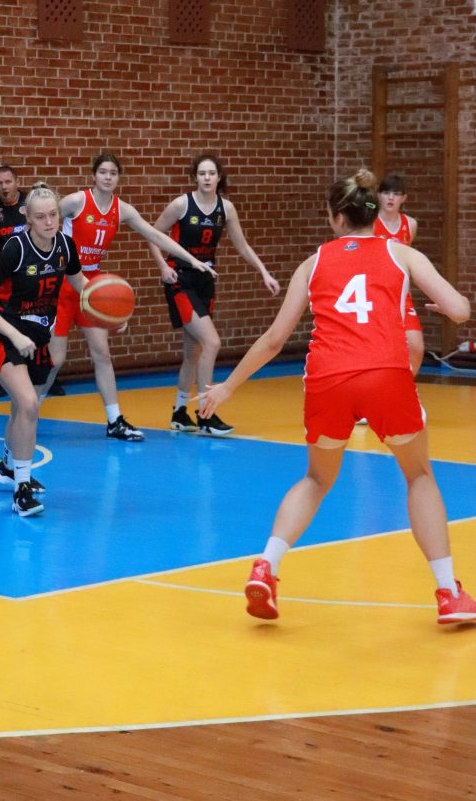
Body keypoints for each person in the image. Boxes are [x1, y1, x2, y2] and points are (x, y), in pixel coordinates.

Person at [198, 169, 476, 626]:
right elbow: (461, 310)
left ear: (336, 219)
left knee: (316, 479)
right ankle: (449, 593)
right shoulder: (402, 252)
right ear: (372, 214)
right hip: (385, 373)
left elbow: (274, 340)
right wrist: (443, 307)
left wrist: (227, 387)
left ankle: (266, 565)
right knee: (419, 475)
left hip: (328, 378)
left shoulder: (313, 264)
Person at [50, 152, 216, 442]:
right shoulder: (76, 201)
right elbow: (43, 221)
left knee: (102, 354)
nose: (107, 177)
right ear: (93, 175)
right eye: (103, 171)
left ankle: (114, 420)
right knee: (55, 360)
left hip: (93, 287)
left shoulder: (122, 209)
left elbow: (156, 235)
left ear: (118, 178)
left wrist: (191, 259)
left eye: (113, 173)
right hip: (64, 283)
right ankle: (29, 410)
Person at [0, 183, 88, 517]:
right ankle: (21, 489)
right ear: (28, 218)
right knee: (29, 404)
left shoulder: (65, 246)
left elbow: (81, 285)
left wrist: (109, 310)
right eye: (41, 216)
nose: (49, 222)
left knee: (22, 411)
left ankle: (9, 466)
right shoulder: (15, 249)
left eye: (53, 215)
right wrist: (13, 334)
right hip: (5, 334)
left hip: (38, 337)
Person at [147, 152, 280, 436]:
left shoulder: (226, 208)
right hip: (180, 279)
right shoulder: (181, 204)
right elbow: (153, 234)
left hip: (206, 281)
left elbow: (242, 246)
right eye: (202, 173)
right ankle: (205, 415)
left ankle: (179, 413)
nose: (206, 178)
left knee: (193, 352)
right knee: (212, 342)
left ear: (219, 177)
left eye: (211, 173)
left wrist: (264, 272)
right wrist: (162, 267)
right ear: (195, 177)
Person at [0, 165, 66, 398]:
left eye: (8, 181)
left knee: (45, 333)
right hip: (7, 281)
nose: (4, 187)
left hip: (38, 286)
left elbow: (79, 281)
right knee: (26, 402)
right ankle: (2, 378)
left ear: (17, 181)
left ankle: (46, 379)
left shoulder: (35, 207)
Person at [373, 172, 424, 375]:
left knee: (415, 346)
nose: (391, 198)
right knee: (378, 347)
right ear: (379, 196)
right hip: (375, 293)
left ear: (404, 198)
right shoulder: (370, 222)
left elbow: (405, 262)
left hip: (400, 295)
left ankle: (408, 385)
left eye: (396, 193)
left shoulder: (410, 224)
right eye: (386, 192)